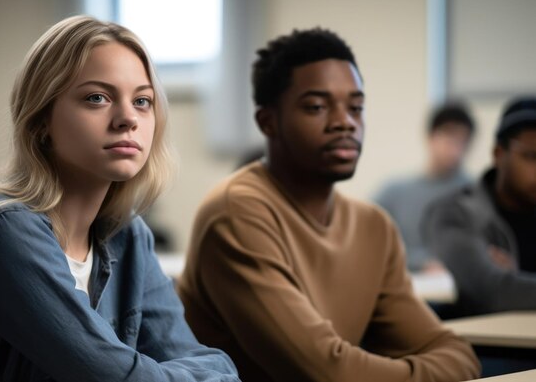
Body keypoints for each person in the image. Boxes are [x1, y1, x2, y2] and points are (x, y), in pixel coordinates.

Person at [0, 15, 239, 382]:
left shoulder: (128, 234)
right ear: (41, 121)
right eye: (97, 98)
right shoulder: (1, 230)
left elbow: (207, 361)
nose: (127, 119)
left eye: (143, 101)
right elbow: (111, 377)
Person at [177, 28, 480, 382]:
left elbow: (458, 355)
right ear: (268, 121)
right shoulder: (236, 212)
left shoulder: (373, 226)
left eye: (356, 107)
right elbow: (326, 372)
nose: (344, 122)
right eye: (317, 107)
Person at [422, 97, 536, 317]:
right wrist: (510, 285)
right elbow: (493, 292)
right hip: (492, 345)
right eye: (531, 157)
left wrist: (516, 281)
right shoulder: (456, 212)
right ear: (498, 154)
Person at [374, 102, 475, 273]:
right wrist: (421, 262)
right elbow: (369, 239)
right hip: (407, 287)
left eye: (463, 141)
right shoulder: (394, 192)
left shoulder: (476, 194)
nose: (455, 150)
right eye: (450, 138)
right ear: (431, 137)